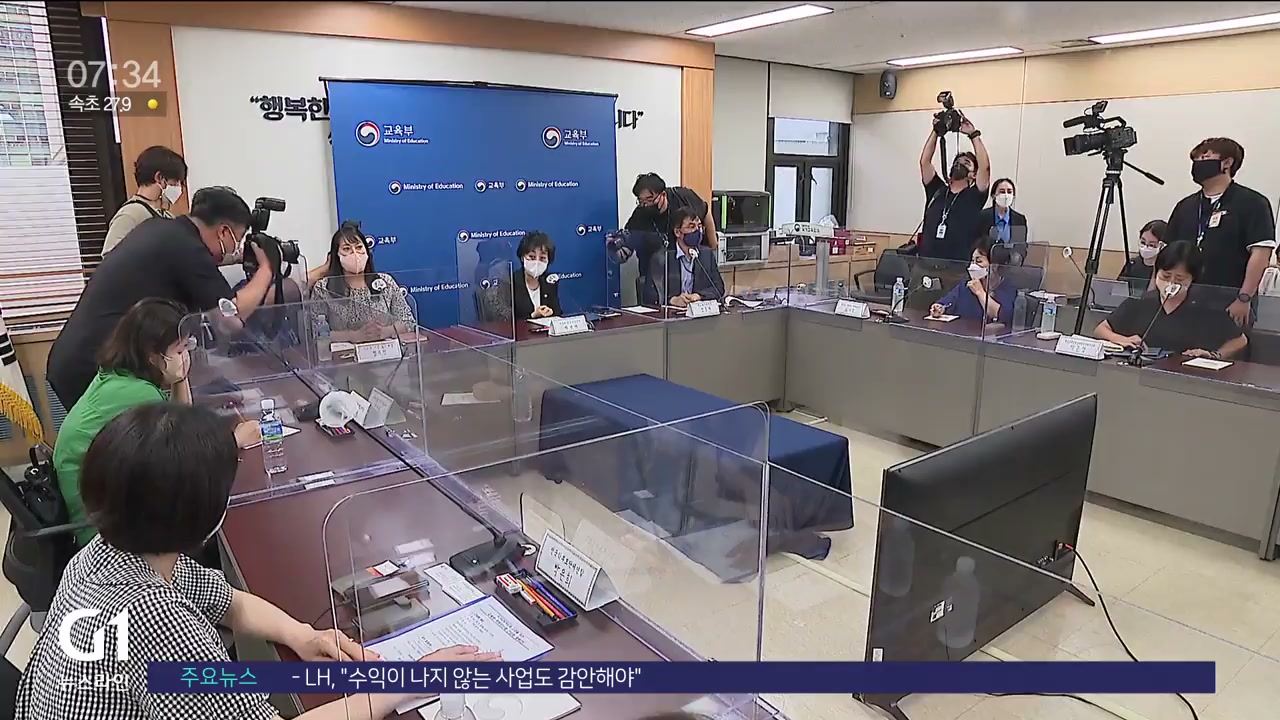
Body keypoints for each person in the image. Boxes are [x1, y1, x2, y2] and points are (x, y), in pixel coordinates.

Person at [17, 403, 500, 720]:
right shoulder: (154, 618)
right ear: (199, 515)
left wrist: (302, 635)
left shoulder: (104, 553)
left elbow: (226, 601)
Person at [48, 186, 274, 409]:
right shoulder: (188, 249)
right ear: (223, 232)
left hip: (76, 357)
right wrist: (267, 268)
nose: (236, 249)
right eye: (238, 239)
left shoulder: (164, 230)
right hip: (93, 366)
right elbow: (230, 319)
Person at [53, 298, 252, 547]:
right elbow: (183, 451)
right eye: (179, 350)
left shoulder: (119, 376)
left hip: (107, 505)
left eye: (187, 347)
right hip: (101, 531)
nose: (186, 356)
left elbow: (180, 422)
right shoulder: (137, 393)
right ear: (152, 356)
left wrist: (180, 378)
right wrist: (234, 440)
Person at [1164, 137, 1276, 325]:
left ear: (1227, 163)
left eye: (1204, 157)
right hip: (1183, 299)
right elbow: (1166, 254)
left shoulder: (1253, 203)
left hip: (1230, 300)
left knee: (1227, 343)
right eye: (1195, 159)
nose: (1197, 163)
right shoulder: (1186, 206)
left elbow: (1260, 254)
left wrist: (1244, 297)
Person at [1094, 241, 1247, 359]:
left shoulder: (1206, 308)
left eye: (1180, 278)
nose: (1171, 282)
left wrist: (1214, 355)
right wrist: (1120, 339)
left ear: (1193, 279)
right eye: (1166, 276)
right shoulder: (1140, 302)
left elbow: (1239, 341)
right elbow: (1101, 329)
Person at [309, 221, 414, 342]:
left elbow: (408, 321)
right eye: (347, 249)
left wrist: (385, 331)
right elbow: (316, 333)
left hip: (383, 349)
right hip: (344, 353)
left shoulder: (385, 282)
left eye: (359, 247)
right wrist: (353, 336)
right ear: (336, 255)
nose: (355, 254)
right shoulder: (323, 288)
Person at [623, 173, 719, 288]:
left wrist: (713, 246)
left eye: (650, 199)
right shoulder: (639, 214)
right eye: (641, 201)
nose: (646, 205)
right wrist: (620, 250)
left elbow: (705, 212)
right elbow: (628, 241)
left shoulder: (682, 197)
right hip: (657, 274)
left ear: (663, 195)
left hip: (687, 263)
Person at [918, 115, 991, 261]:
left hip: (956, 267)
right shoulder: (937, 190)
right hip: (925, 264)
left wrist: (973, 134)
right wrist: (936, 131)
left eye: (966, 163)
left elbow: (985, 167)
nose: (960, 164)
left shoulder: (975, 196)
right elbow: (924, 161)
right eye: (957, 161)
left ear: (974, 175)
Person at [102, 146, 187, 254]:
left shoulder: (167, 216)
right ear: (160, 178)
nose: (179, 188)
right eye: (176, 182)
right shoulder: (130, 215)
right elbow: (110, 257)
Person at [643, 207, 724, 308]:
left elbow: (718, 287)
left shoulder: (706, 254)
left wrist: (698, 296)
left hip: (696, 312)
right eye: (691, 226)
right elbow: (649, 295)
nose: (697, 230)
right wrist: (672, 300)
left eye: (699, 226)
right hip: (671, 313)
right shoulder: (661, 258)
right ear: (677, 232)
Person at [930, 241, 1018, 325]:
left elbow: (1002, 315)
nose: (973, 266)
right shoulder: (966, 285)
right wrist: (939, 307)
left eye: (979, 261)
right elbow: (948, 301)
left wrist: (980, 292)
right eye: (972, 261)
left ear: (994, 265)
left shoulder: (1007, 288)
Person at [510, 231, 562, 320]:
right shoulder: (510, 282)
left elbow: (558, 312)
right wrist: (533, 316)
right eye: (532, 257)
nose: (537, 262)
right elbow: (506, 321)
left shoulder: (549, 281)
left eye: (542, 258)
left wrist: (552, 313)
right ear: (522, 257)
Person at [975, 178, 1028, 263]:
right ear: (994, 196)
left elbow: (1021, 247)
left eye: (1009, 192)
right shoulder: (983, 216)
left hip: (1010, 266)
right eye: (1002, 191)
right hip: (986, 265)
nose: (1006, 195)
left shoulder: (1019, 219)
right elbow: (976, 243)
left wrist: (1017, 259)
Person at [1117, 220, 1167, 293]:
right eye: (1143, 242)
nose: (1146, 247)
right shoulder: (1132, 264)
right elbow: (1118, 290)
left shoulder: (1166, 270)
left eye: (1152, 245)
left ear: (1162, 246)